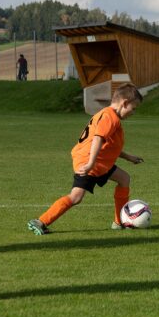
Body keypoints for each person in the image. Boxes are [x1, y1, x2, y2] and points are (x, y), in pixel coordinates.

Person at [27, 83, 144, 235]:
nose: (133, 112)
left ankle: (119, 222)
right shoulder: (110, 118)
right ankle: (41, 221)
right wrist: (90, 164)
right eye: (133, 108)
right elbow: (97, 139)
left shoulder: (108, 115)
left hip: (100, 162)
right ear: (125, 103)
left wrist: (129, 157)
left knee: (124, 179)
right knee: (76, 197)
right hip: (90, 162)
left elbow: (109, 146)